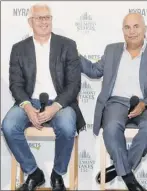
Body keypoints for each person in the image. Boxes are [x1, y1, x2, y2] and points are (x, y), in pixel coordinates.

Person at [80, 13, 147, 191]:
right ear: (122, 31)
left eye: (136, 26)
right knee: (111, 128)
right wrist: (73, 54)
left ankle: (119, 168)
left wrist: (144, 104)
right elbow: (94, 71)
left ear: (145, 29)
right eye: (127, 27)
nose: (132, 31)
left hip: (146, 104)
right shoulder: (112, 50)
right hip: (115, 103)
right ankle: (129, 179)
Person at [1, 4, 85, 191]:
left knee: (66, 125)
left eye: (47, 17)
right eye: (39, 18)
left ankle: (57, 173)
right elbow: (15, 84)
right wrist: (28, 108)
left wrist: (55, 107)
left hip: (60, 102)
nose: (44, 21)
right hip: (29, 101)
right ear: (30, 21)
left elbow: (74, 84)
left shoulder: (68, 45)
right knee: (8, 125)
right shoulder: (18, 48)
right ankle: (33, 172)